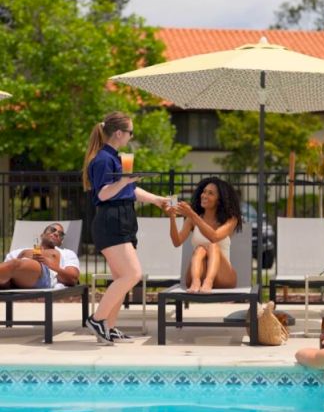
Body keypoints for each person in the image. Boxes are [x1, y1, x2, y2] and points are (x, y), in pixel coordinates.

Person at [82, 111, 167, 345]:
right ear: (119, 133)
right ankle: (98, 319)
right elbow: (103, 193)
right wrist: (124, 181)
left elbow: (128, 191)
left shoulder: (115, 158)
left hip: (122, 218)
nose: (131, 136)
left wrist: (157, 200)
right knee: (132, 274)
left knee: (121, 276)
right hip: (111, 221)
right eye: (130, 132)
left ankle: (109, 327)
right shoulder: (102, 160)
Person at [164, 176, 242, 293]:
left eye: (210, 193)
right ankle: (196, 282)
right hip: (198, 274)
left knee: (212, 245)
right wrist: (172, 218)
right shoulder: (192, 219)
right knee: (200, 249)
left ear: (219, 200)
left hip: (224, 277)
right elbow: (177, 242)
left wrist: (192, 215)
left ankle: (208, 282)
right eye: (204, 192)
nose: (204, 195)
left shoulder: (231, 219)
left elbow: (214, 237)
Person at [0, 223, 80, 290]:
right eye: (52, 230)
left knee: (15, 263)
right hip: (15, 278)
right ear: (42, 235)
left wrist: (49, 264)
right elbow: (5, 270)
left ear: (61, 242)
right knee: (13, 265)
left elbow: (73, 278)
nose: (56, 234)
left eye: (60, 234)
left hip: (45, 276)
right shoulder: (20, 251)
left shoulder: (66, 253)